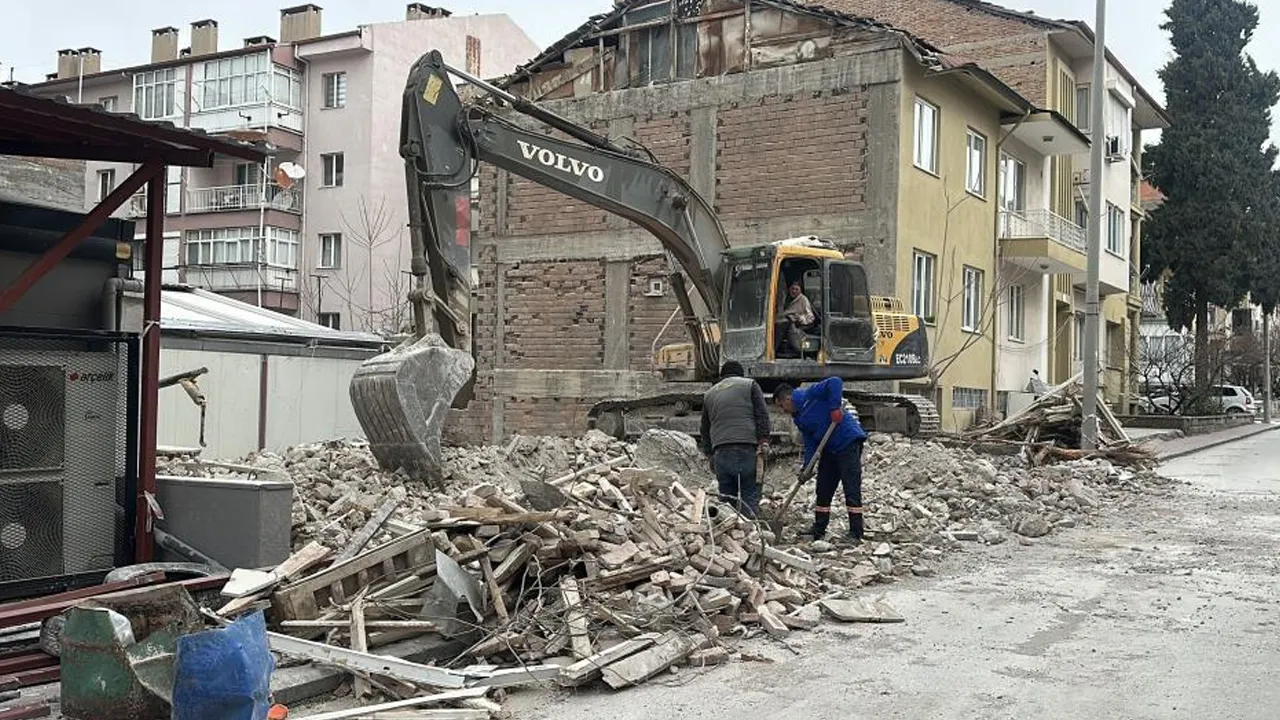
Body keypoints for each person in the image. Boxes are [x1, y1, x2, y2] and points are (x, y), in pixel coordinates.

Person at [774, 376, 868, 541]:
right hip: (829, 449)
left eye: (782, 406)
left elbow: (836, 382)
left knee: (850, 487)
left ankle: (856, 532)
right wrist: (807, 468)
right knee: (823, 488)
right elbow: (811, 444)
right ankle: (818, 529)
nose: (783, 410)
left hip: (848, 442)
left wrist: (834, 408)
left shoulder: (811, 394)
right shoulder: (799, 419)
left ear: (788, 399)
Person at [699, 361, 771, 517]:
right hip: (746, 448)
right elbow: (762, 414)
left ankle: (728, 533)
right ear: (741, 374)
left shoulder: (709, 393)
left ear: (722, 376)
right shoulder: (750, 385)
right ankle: (751, 531)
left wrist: (710, 454)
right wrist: (764, 440)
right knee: (750, 494)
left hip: (720, 451)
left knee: (726, 499)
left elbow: (704, 428)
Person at [776, 282, 815, 356]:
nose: (794, 291)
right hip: (786, 320)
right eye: (792, 289)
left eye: (797, 289)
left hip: (797, 324)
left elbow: (810, 317)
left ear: (800, 290)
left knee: (782, 326)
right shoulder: (787, 298)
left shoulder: (803, 299)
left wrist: (799, 318)